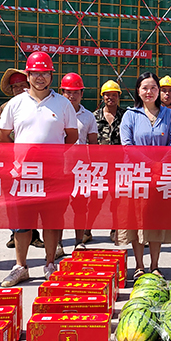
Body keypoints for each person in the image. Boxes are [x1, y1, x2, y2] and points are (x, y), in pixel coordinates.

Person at [0, 52, 78, 287]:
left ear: (51, 75)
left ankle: (50, 264)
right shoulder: (16, 103)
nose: (40, 77)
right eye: (35, 73)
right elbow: (2, 135)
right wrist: (22, 155)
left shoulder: (63, 104)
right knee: (22, 223)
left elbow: (71, 136)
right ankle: (20, 266)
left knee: (52, 221)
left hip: (54, 173)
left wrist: (51, 156)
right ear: (28, 75)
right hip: (24, 173)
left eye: (45, 73)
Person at [119, 72, 171, 279]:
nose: (149, 92)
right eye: (145, 88)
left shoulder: (169, 115)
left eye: (153, 88)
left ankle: (155, 265)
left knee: (156, 220)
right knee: (136, 220)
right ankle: (139, 265)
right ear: (138, 91)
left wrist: (159, 166)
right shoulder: (130, 115)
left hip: (160, 177)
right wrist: (151, 164)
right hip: (136, 175)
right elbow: (127, 146)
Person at [0, 68, 45, 252]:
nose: (18, 89)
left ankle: (35, 235)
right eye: (15, 87)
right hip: (13, 164)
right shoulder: (6, 108)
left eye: (22, 85)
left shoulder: (41, 106)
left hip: (37, 163)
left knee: (36, 201)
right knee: (14, 203)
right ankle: (14, 234)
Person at [59, 72, 98, 249]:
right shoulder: (55, 113)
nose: (72, 96)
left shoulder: (88, 116)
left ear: (82, 93)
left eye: (76, 92)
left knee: (80, 208)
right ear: (62, 93)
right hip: (59, 168)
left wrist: (93, 168)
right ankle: (57, 243)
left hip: (81, 170)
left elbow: (93, 143)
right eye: (68, 92)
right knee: (58, 209)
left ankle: (79, 242)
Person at [95, 79, 126, 242]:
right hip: (98, 167)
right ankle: (86, 230)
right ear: (102, 96)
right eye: (107, 95)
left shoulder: (126, 116)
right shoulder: (94, 117)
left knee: (117, 201)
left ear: (119, 96)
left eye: (114, 95)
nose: (110, 98)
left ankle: (115, 230)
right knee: (95, 200)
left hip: (120, 167)